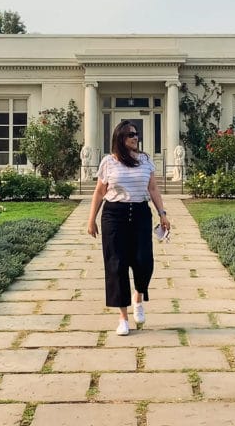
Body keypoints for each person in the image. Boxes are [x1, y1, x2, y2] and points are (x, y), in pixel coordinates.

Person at [87, 120, 172, 336]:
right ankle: (123, 317)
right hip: (114, 215)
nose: (135, 137)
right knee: (116, 265)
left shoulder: (145, 160)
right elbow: (99, 192)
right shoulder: (109, 162)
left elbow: (153, 188)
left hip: (141, 213)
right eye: (130, 134)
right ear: (120, 139)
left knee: (144, 261)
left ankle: (138, 296)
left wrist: (162, 214)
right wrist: (91, 220)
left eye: (136, 134)